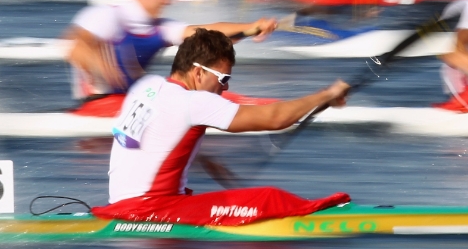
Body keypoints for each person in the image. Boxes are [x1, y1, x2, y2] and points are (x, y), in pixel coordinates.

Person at [107, 28, 350, 203]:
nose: (226, 87)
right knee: (268, 198)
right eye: (223, 78)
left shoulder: (146, 85)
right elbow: (275, 118)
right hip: (151, 210)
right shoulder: (193, 101)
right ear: (198, 73)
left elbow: (150, 140)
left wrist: (205, 160)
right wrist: (326, 94)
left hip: (119, 205)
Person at [66, 0, 278, 101]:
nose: (168, 1)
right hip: (96, 103)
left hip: (131, 102)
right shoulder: (106, 16)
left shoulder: (161, 28)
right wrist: (105, 69)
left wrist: (251, 28)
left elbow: (210, 32)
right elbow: (74, 48)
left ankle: (268, 110)